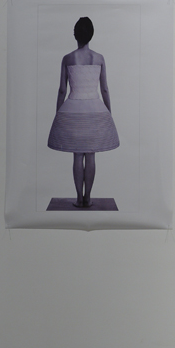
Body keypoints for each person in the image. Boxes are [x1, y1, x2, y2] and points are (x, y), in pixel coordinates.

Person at [46, 17, 120, 207]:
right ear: (91, 35)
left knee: (78, 155)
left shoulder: (68, 58)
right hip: (96, 110)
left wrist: (58, 114)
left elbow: (62, 90)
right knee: (91, 154)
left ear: (75, 35)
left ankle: (79, 198)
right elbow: (104, 89)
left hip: (72, 110)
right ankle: (88, 197)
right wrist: (109, 113)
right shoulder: (99, 58)